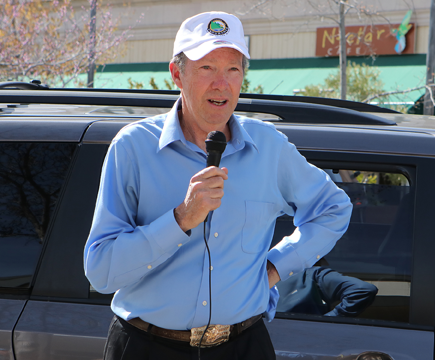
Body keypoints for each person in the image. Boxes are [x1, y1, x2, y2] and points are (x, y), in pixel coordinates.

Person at [84, 11, 353, 360]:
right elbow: (102, 274)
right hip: (146, 347)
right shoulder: (132, 148)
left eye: (233, 69)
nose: (221, 84)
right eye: (207, 68)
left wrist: (273, 269)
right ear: (177, 74)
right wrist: (181, 219)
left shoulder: (269, 148)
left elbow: (334, 208)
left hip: (244, 346)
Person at [276, 258, 378, 317]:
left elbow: (363, 290)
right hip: (308, 337)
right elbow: (363, 289)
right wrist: (329, 319)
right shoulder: (310, 274)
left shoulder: (263, 276)